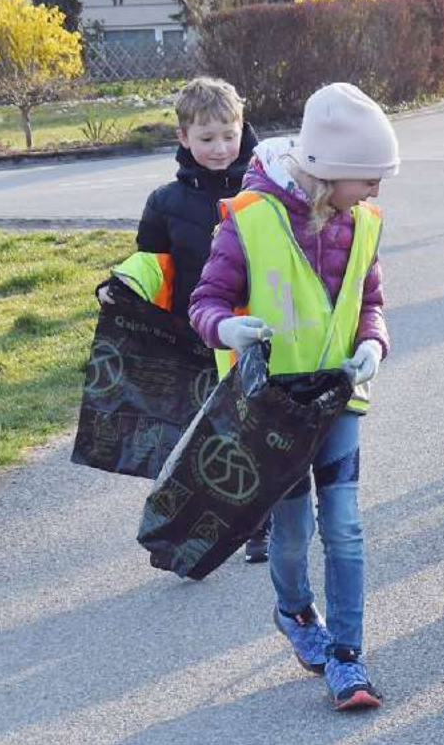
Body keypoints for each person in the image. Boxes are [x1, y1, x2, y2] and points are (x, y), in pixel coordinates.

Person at [188, 83, 393, 711]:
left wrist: (375, 346)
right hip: (272, 411)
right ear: (329, 174)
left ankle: (349, 660)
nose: (376, 193)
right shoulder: (250, 217)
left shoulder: (364, 223)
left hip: (338, 401)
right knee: (293, 528)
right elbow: (206, 301)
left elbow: (373, 304)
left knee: (346, 526)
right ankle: (295, 612)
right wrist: (227, 328)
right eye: (367, 179)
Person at [100, 77, 270, 563]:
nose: (220, 148)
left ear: (243, 129)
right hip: (194, 336)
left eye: (229, 135)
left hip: (256, 333)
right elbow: (153, 262)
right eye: (206, 138)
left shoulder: (267, 190)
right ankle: (205, 523)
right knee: (204, 442)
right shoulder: (165, 203)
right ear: (183, 138)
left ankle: (260, 525)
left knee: (254, 434)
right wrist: (119, 286)